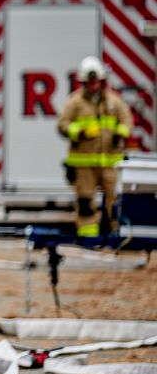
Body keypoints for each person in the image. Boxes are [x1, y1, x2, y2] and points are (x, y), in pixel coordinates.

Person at [57, 56, 133, 238]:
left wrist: (120, 133)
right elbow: (63, 124)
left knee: (115, 201)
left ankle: (119, 235)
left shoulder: (114, 102)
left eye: (95, 82)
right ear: (83, 82)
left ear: (102, 81)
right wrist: (79, 132)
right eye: (88, 82)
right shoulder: (74, 102)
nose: (92, 86)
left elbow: (127, 121)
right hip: (84, 164)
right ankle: (87, 236)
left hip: (110, 162)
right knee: (85, 202)